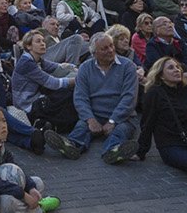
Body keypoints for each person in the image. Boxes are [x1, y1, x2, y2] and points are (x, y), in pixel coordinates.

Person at [44, 33, 140, 164]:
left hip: (122, 117)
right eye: (104, 48)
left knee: (120, 132)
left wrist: (113, 121)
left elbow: (129, 98)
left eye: (111, 46)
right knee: (81, 128)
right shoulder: (85, 68)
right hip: (95, 115)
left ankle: (113, 150)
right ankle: (71, 145)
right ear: (94, 53)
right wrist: (90, 119)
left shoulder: (127, 66)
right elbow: (80, 97)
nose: (111, 50)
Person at [137, 56, 187, 178]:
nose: (177, 70)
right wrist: (141, 151)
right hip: (171, 145)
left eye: (177, 67)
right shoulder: (154, 94)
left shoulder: (186, 90)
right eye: (171, 68)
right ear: (161, 75)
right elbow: (147, 123)